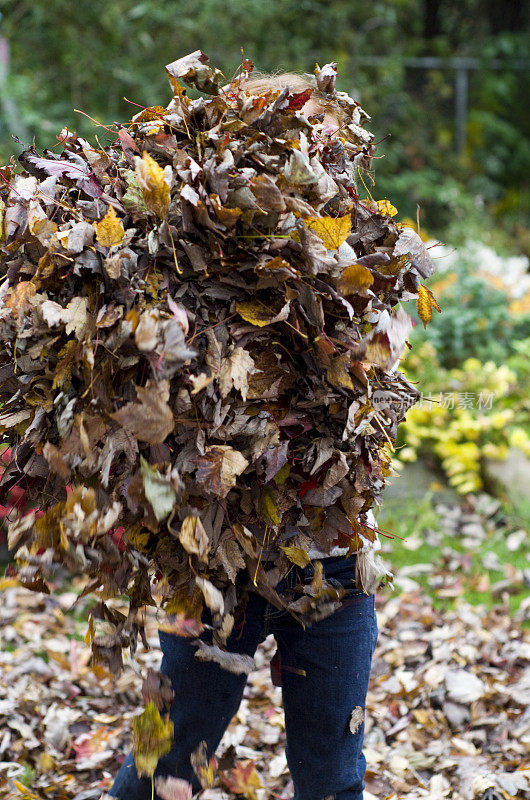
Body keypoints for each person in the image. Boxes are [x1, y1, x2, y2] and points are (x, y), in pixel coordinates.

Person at [108, 73, 382, 800]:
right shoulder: (179, 267)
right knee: (155, 770)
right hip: (213, 569)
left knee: (332, 780)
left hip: (332, 570)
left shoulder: (360, 269)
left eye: (317, 151)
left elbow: (371, 388)